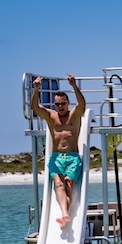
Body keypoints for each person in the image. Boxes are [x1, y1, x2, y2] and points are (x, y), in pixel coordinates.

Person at [30, 74, 86, 228]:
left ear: (68, 103)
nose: (60, 106)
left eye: (62, 103)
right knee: (59, 185)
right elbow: (35, 107)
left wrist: (74, 86)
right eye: (57, 104)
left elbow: (82, 104)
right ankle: (65, 214)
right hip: (56, 158)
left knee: (68, 185)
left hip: (73, 158)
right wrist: (36, 89)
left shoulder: (74, 116)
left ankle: (65, 213)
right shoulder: (51, 116)